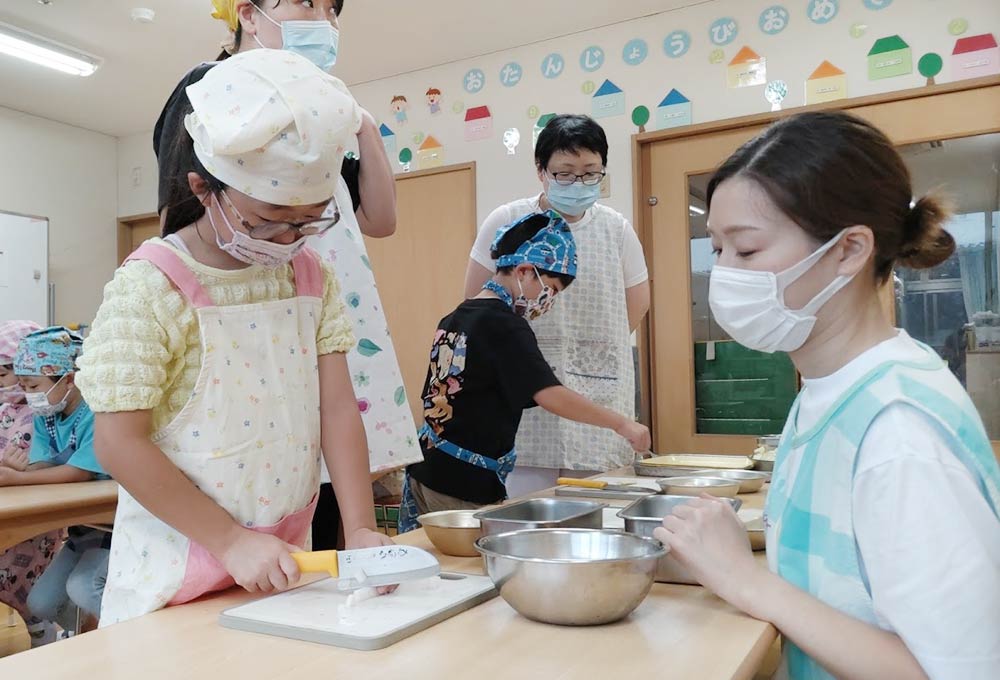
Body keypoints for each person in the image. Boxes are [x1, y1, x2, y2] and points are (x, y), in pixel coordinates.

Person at [652, 111, 1000, 680]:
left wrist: (745, 579)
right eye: (716, 250)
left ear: (848, 251)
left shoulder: (900, 434)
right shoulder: (832, 388)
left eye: (746, 250)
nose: (724, 275)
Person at [77, 49, 394, 625]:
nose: (289, 236)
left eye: (310, 218)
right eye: (269, 216)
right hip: (175, 570)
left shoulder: (310, 277)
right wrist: (228, 540)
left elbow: (338, 409)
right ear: (204, 189)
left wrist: (362, 528)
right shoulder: (151, 287)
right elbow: (119, 443)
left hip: (285, 561)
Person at [155, 0, 422, 550]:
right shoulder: (209, 89)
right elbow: (176, 221)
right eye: (308, 1)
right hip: (247, 327)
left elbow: (381, 219)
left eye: (332, 8)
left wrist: (364, 124)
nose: (324, 18)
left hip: (320, 319)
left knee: (324, 506)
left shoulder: (321, 111)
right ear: (249, 14)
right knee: (258, 496)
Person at [399, 212, 651, 531]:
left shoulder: (456, 317)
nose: (549, 301)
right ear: (524, 272)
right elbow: (550, 395)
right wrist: (621, 423)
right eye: (552, 289)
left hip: (428, 470)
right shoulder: (505, 326)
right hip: (461, 484)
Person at [463, 114, 651, 495]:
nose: (578, 182)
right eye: (565, 172)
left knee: (596, 513)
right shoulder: (509, 220)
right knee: (526, 510)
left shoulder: (617, 229)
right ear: (541, 171)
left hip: (601, 390)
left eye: (589, 172)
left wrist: (597, 345)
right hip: (523, 392)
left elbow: (638, 302)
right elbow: (476, 301)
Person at [0, 326, 111, 635]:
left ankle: (132, 641)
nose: (29, 395)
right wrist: (19, 472)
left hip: (111, 527)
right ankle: (79, 638)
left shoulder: (95, 413)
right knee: (41, 604)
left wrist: (17, 479)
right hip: (81, 530)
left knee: (83, 588)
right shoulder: (47, 415)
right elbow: (42, 464)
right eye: (23, 385)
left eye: (34, 385)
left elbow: (80, 472)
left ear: (70, 379)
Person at [0, 320, 64, 645]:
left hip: (31, 524)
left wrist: (22, 473)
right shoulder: (5, 409)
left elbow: (43, 467)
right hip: (8, 506)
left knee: (28, 597)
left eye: (4, 375)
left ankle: (43, 635)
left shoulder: (47, 414)